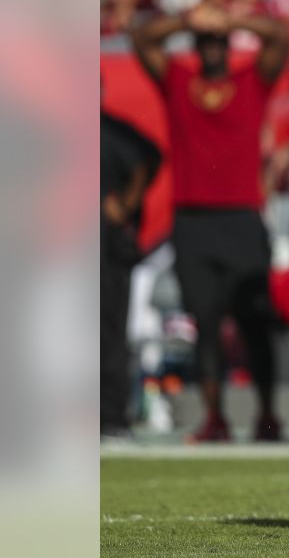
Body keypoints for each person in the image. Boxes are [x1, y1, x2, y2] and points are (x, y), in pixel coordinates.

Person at [131, 4, 289, 442]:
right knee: (204, 324)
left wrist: (231, 19)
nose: (213, 48)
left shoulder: (250, 81)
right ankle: (214, 418)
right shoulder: (180, 82)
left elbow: (280, 36)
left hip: (242, 218)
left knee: (255, 323)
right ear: (197, 47)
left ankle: (267, 415)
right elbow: (142, 38)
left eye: (219, 41)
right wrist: (189, 20)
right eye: (206, 42)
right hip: (193, 220)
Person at [101, 108, 162, 439]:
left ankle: (110, 412)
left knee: (108, 323)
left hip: (105, 240)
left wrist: (126, 202)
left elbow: (147, 159)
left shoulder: (109, 129)